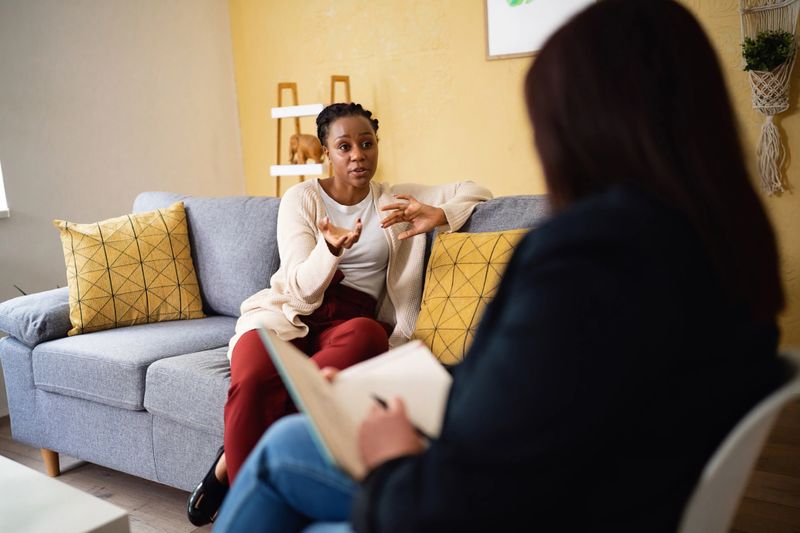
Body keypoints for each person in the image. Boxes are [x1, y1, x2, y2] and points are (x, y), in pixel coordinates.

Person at [212, 1, 789, 531]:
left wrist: (393, 460)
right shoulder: (734, 249)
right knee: (292, 442)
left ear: (583, 128)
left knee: (283, 452)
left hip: (498, 509)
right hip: (609, 496)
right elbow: (545, 392)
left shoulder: (585, 259)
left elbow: (474, 476)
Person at [185, 102, 492, 526]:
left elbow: (477, 191)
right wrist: (329, 250)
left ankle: (230, 464)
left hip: (352, 320)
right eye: (344, 146)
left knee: (364, 341)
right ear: (326, 152)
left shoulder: (394, 198)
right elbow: (299, 290)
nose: (357, 155)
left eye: (366, 144)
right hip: (287, 312)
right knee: (253, 378)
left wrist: (440, 214)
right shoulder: (301, 198)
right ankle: (243, 506)